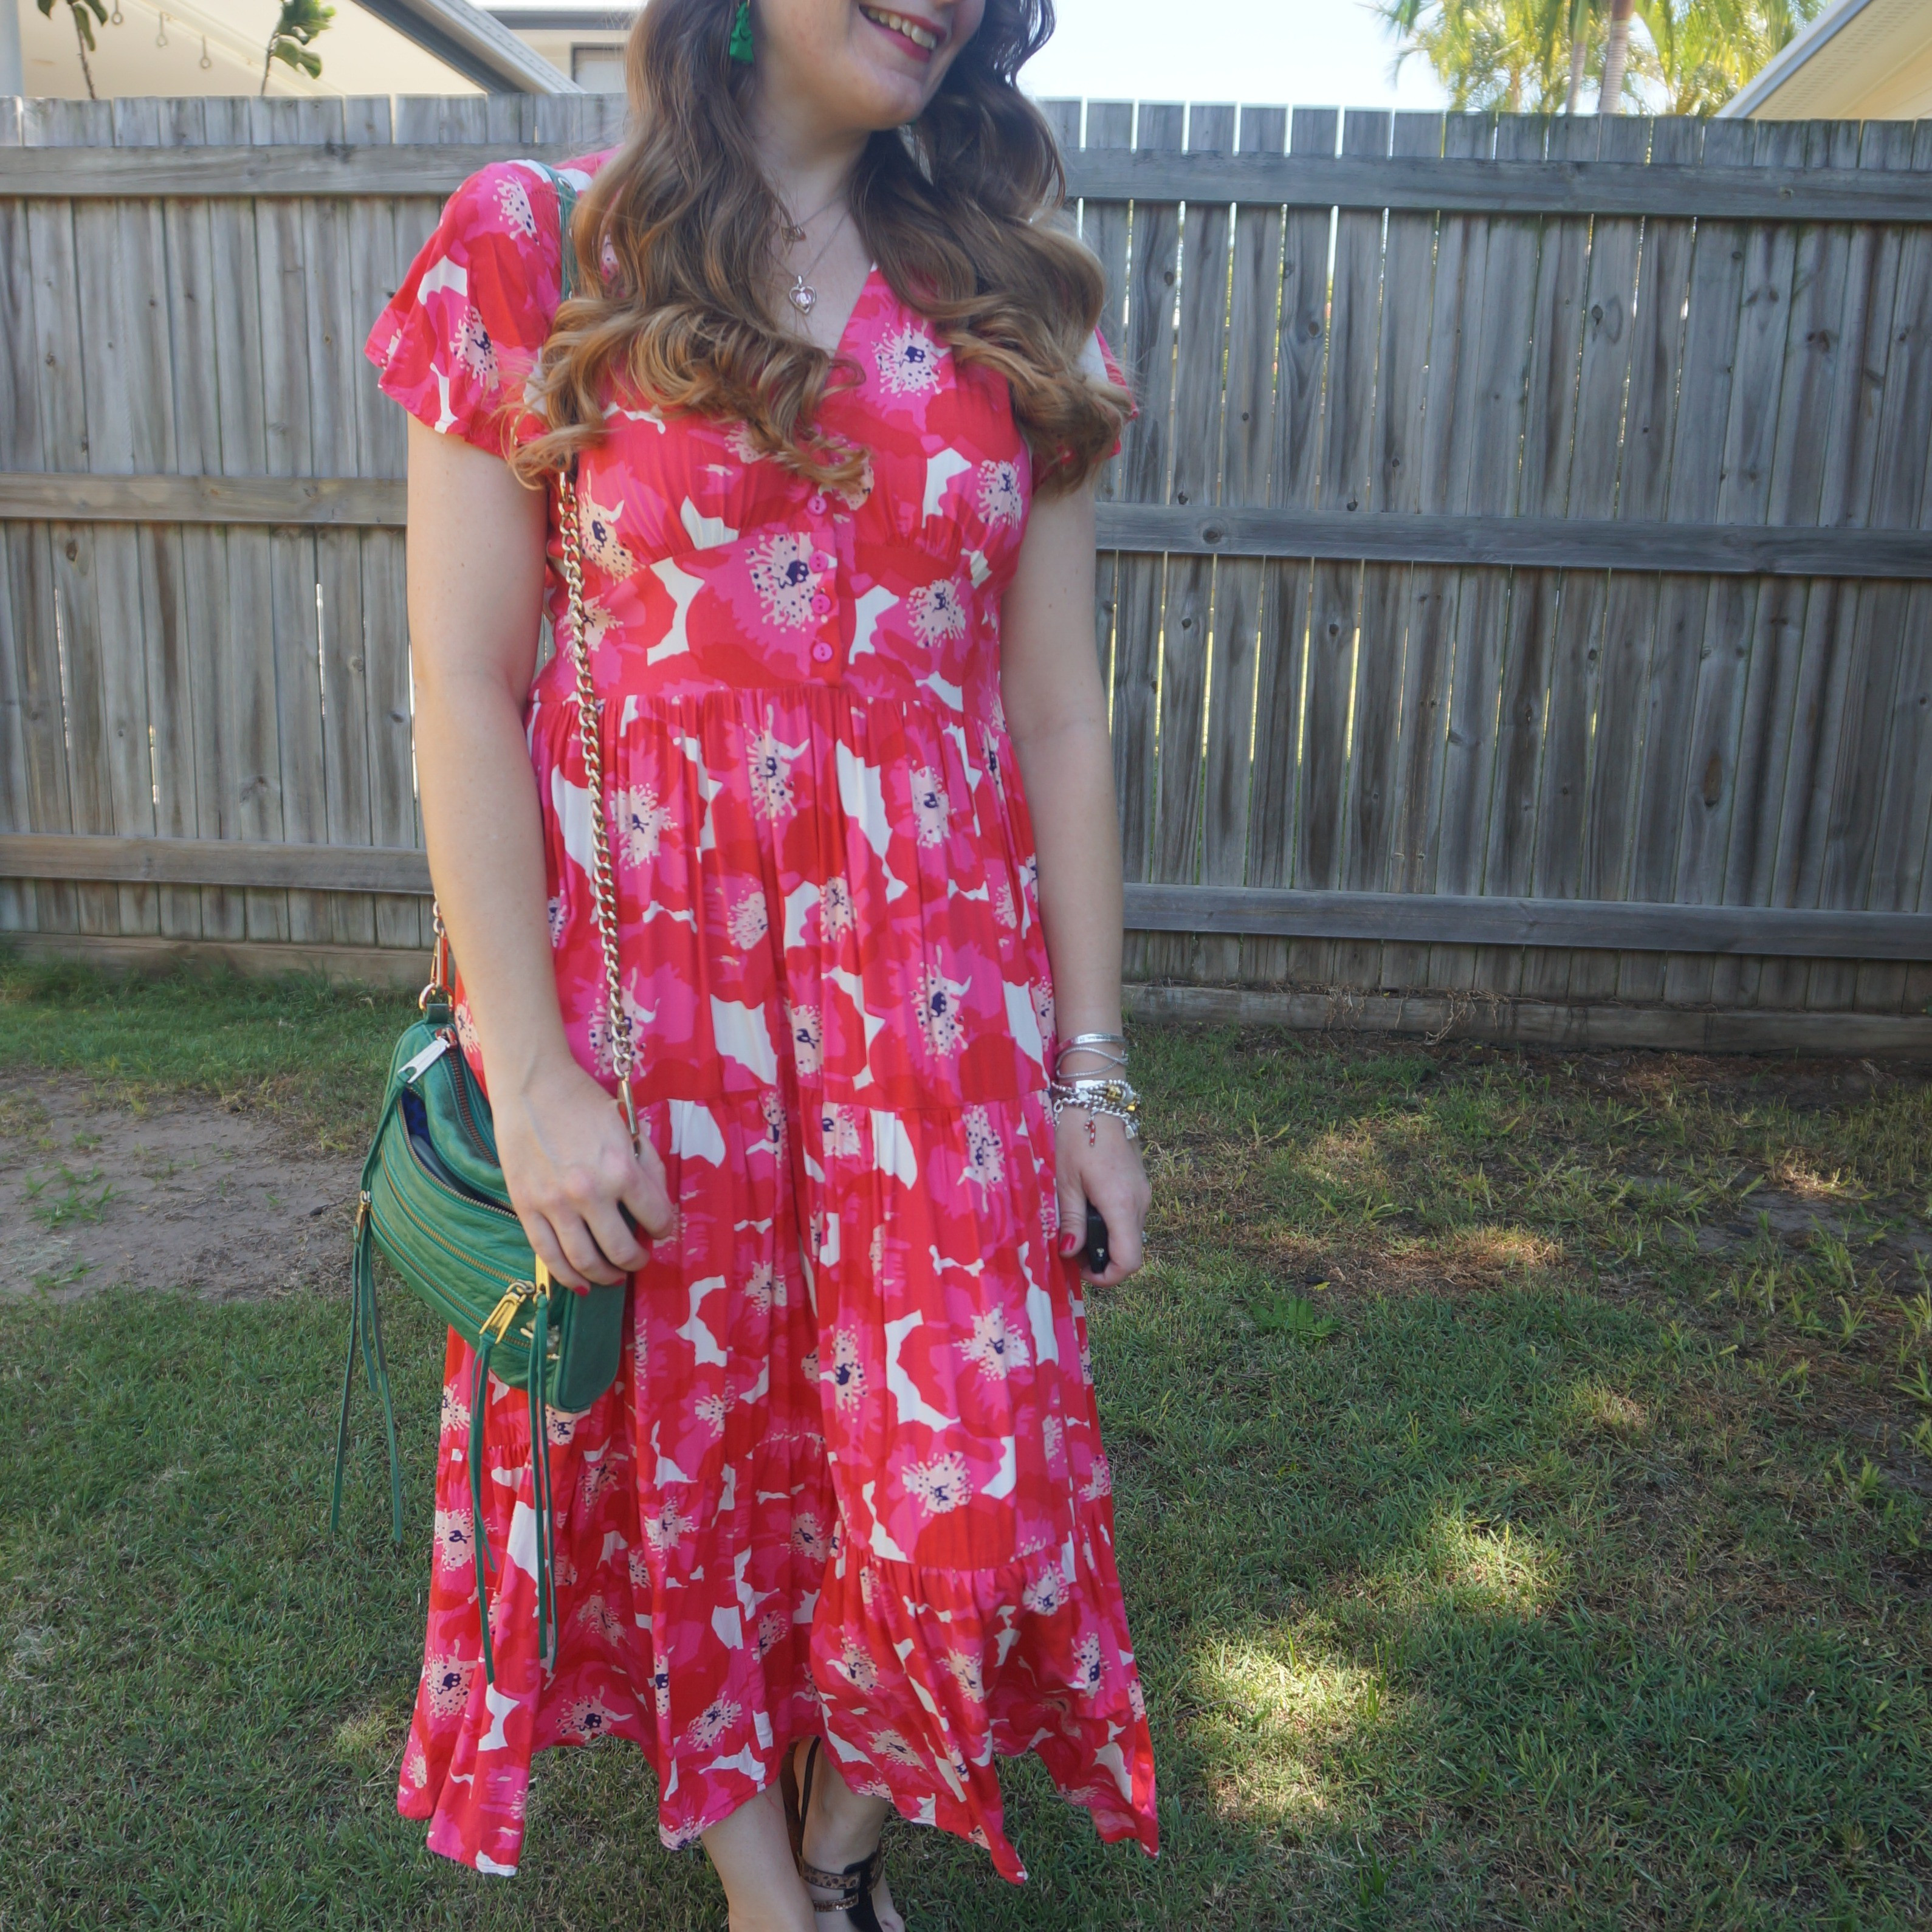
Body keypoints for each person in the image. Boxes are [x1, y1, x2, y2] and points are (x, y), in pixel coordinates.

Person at [365, 0, 1155, 1923]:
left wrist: (1095, 1075)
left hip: (937, 1029)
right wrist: (536, 1073)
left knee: (952, 1499)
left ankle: (836, 1840)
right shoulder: (536, 246)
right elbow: (463, 687)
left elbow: (1054, 711)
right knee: (693, 1482)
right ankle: (775, 1902)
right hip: (661, 1030)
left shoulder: (1009, 303)